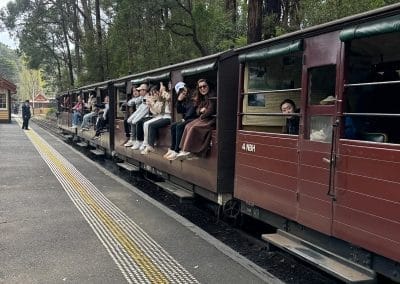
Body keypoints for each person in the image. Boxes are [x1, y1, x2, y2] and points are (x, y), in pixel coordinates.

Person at [177, 79, 216, 159]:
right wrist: (201, 111)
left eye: (204, 86)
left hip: (210, 119)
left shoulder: (212, 96)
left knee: (194, 127)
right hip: (203, 118)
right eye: (200, 87)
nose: (202, 88)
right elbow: (198, 110)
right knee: (188, 125)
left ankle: (192, 151)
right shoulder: (202, 97)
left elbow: (211, 110)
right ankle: (184, 149)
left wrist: (203, 113)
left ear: (208, 86)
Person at [164, 82, 198, 160]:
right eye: (181, 91)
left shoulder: (193, 94)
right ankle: (172, 148)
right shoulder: (185, 99)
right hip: (189, 118)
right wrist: (179, 100)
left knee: (180, 126)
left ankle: (177, 150)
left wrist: (185, 118)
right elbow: (180, 111)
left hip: (195, 118)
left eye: (183, 89)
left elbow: (192, 109)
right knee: (173, 125)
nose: (183, 92)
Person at [141, 82, 172, 155]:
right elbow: (156, 112)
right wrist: (151, 105)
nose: (154, 95)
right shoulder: (160, 98)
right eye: (152, 93)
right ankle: (146, 143)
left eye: (155, 93)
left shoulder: (167, 95)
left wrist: (152, 104)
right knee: (145, 123)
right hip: (162, 116)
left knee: (151, 125)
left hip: (168, 116)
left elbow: (159, 110)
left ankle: (150, 144)